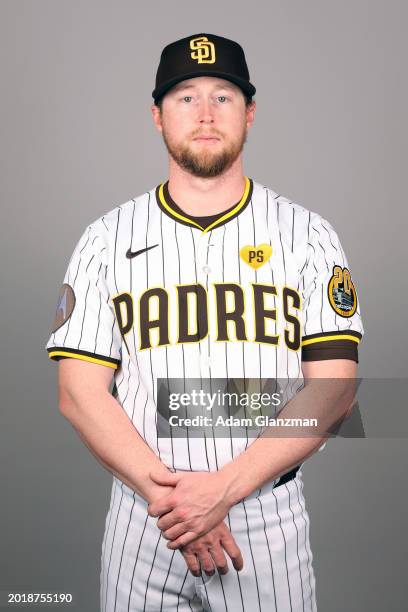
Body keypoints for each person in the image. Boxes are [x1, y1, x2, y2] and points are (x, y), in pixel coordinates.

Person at [45, 33, 364, 611]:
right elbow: (78, 393)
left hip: (264, 517)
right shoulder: (105, 240)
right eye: (185, 97)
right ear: (157, 116)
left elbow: (336, 388)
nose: (206, 113)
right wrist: (175, 502)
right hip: (146, 521)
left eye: (224, 95)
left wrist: (222, 490)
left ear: (250, 112)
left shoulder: (309, 236)